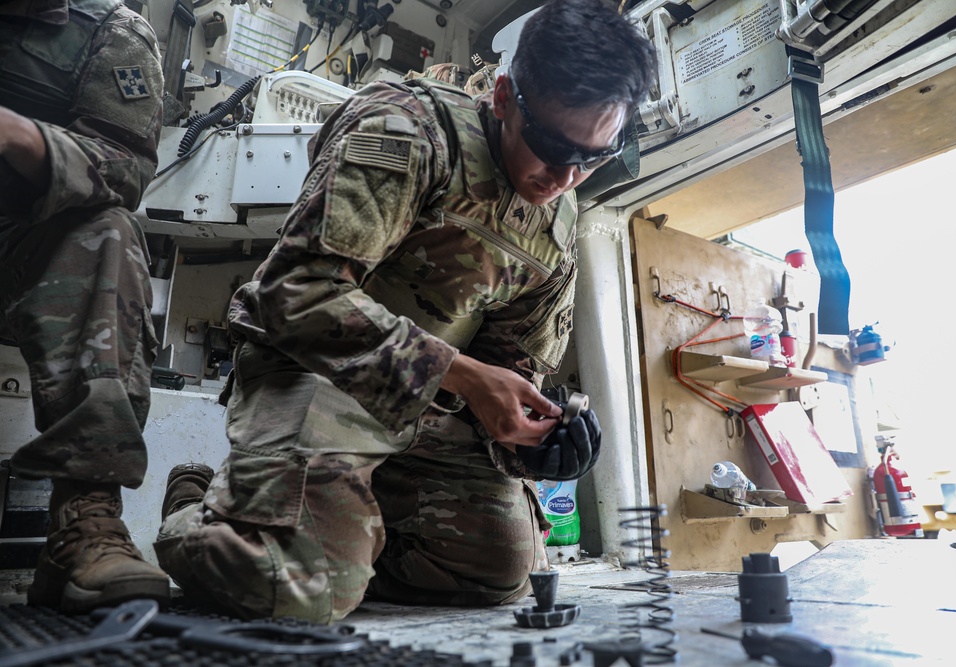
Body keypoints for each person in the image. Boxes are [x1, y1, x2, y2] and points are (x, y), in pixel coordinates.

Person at [156, 0, 655, 623]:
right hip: (317, 378)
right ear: (504, 98)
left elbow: (508, 364)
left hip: (430, 411)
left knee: (501, 574)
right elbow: (295, 293)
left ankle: (342, 539)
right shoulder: (405, 130)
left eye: (593, 157)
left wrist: (536, 442)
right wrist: (468, 378)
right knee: (299, 596)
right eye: (552, 147)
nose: (565, 177)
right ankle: (198, 504)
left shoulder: (554, 220)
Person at [0, 0, 167, 612]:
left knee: (109, 232)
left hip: (15, 249)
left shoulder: (110, 32)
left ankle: (85, 521)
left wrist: (21, 135)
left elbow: (124, 168)